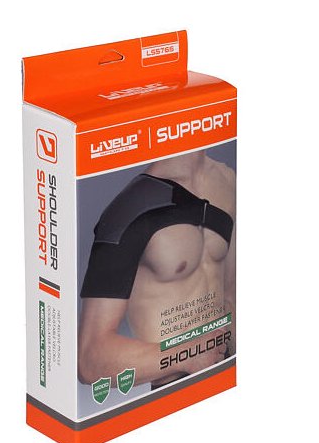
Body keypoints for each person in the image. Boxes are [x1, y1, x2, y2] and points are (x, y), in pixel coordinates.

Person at [78, 150, 235, 390]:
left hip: (227, 376)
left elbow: (232, 298)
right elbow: (89, 360)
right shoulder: (130, 208)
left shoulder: (228, 180)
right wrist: (186, 354)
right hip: (174, 391)